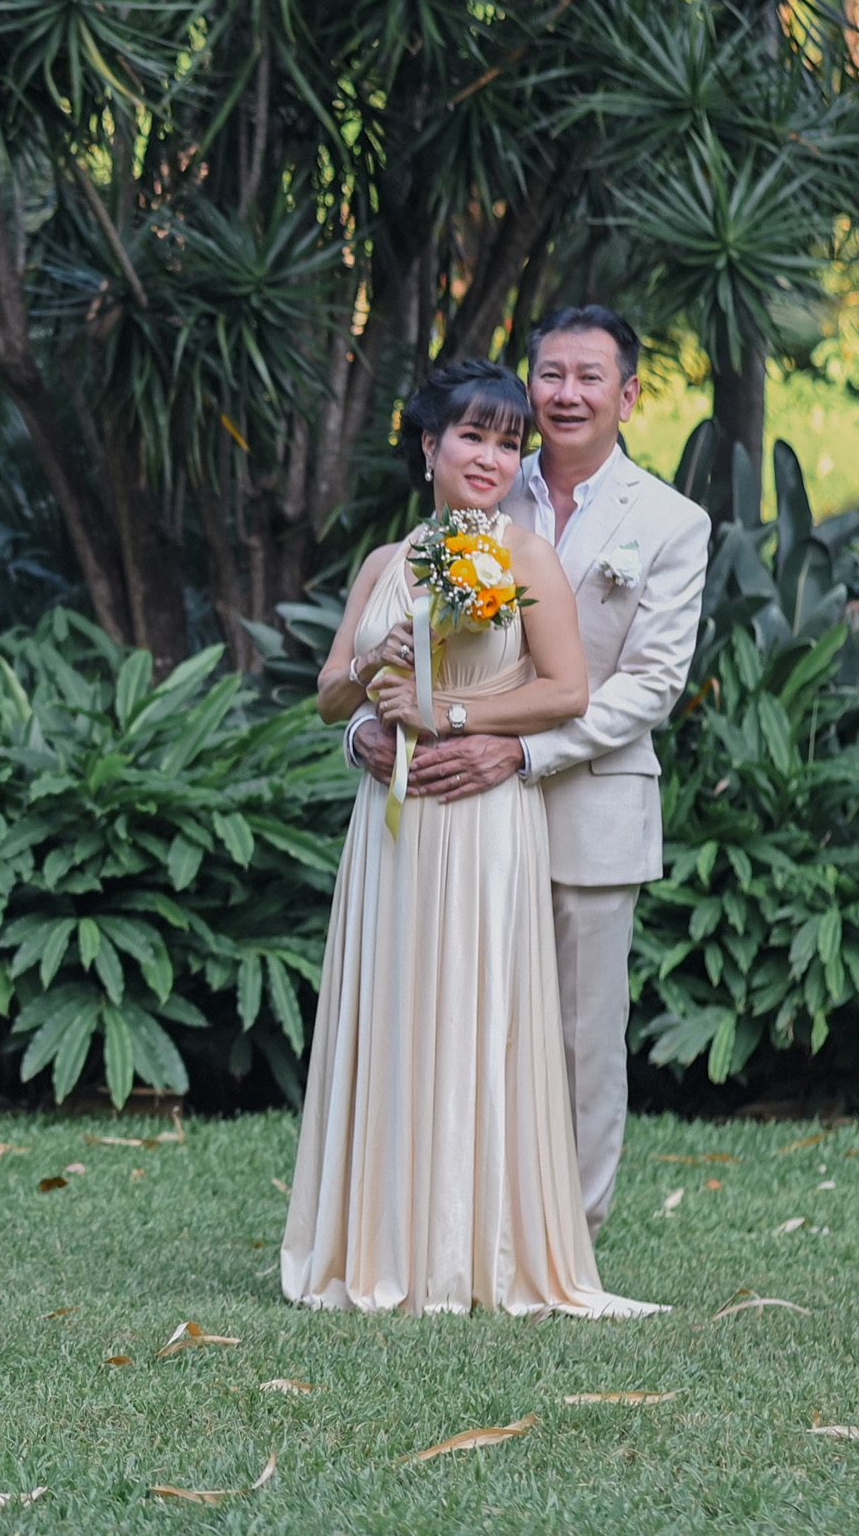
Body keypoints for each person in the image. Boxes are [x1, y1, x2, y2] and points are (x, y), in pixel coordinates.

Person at [284, 358, 650, 1318]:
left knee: (475, 1009)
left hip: (485, 823)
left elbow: (566, 690)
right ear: (429, 445)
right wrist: (370, 669)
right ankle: (380, 1239)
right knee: (394, 1009)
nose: (491, 457)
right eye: (473, 436)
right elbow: (328, 695)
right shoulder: (384, 563)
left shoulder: (525, 556)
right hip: (391, 830)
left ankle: (468, 1246)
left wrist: (446, 714)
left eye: (508, 442)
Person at [347, 308, 706, 1236]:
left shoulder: (670, 521)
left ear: (629, 393)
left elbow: (650, 685)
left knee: (582, 1037)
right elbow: (399, 640)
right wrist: (364, 731)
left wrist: (520, 749)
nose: (567, 394)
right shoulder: (485, 485)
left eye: (591, 377)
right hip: (457, 814)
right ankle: (467, 1223)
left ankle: (566, 1238)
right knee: (467, 1019)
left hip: (587, 804)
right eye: (552, 374)